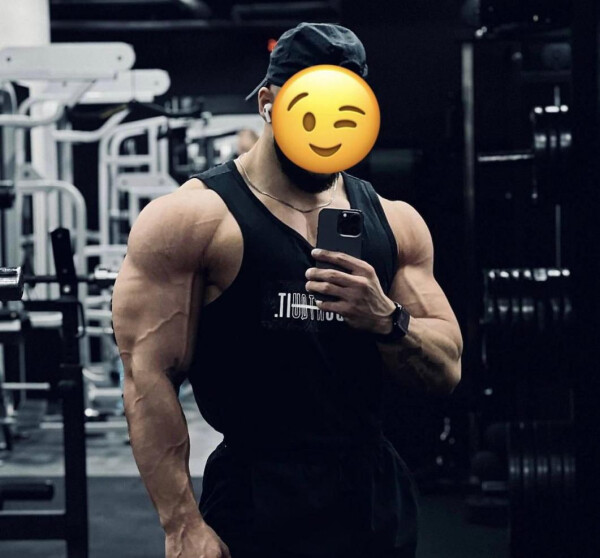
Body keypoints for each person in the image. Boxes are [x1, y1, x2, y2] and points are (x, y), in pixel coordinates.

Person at [111, 22, 462, 558]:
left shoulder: (396, 222)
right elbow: (148, 376)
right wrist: (181, 524)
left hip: (371, 494)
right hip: (256, 495)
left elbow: (447, 369)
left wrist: (387, 319)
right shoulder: (193, 219)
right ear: (269, 103)